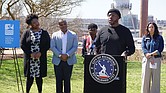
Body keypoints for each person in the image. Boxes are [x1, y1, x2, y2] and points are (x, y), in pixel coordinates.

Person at [20, 14, 50, 93]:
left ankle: (40, 91)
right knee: (30, 78)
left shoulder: (44, 33)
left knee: (39, 78)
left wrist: (41, 53)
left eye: (37, 21)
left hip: (40, 59)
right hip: (30, 59)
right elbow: (22, 45)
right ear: (30, 24)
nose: (36, 23)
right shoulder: (27, 32)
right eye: (34, 22)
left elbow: (48, 45)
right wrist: (30, 54)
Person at [50, 19, 78, 93]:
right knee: (58, 80)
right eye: (61, 25)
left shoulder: (73, 35)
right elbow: (52, 47)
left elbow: (75, 47)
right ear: (59, 26)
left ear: (67, 24)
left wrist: (67, 55)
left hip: (69, 60)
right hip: (58, 60)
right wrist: (60, 55)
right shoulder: (54, 35)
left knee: (67, 80)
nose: (63, 26)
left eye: (64, 24)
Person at [141, 22, 164, 93]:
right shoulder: (145, 37)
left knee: (155, 79)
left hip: (156, 59)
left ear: (155, 28)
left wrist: (151, 54)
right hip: (147, 59)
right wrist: (147, 54)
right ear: (147, 28)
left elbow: (160, 48)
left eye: (152, 27)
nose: (151, 28)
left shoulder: (159, 38)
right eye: (149, 27)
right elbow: (143, 47)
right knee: (145, 78)